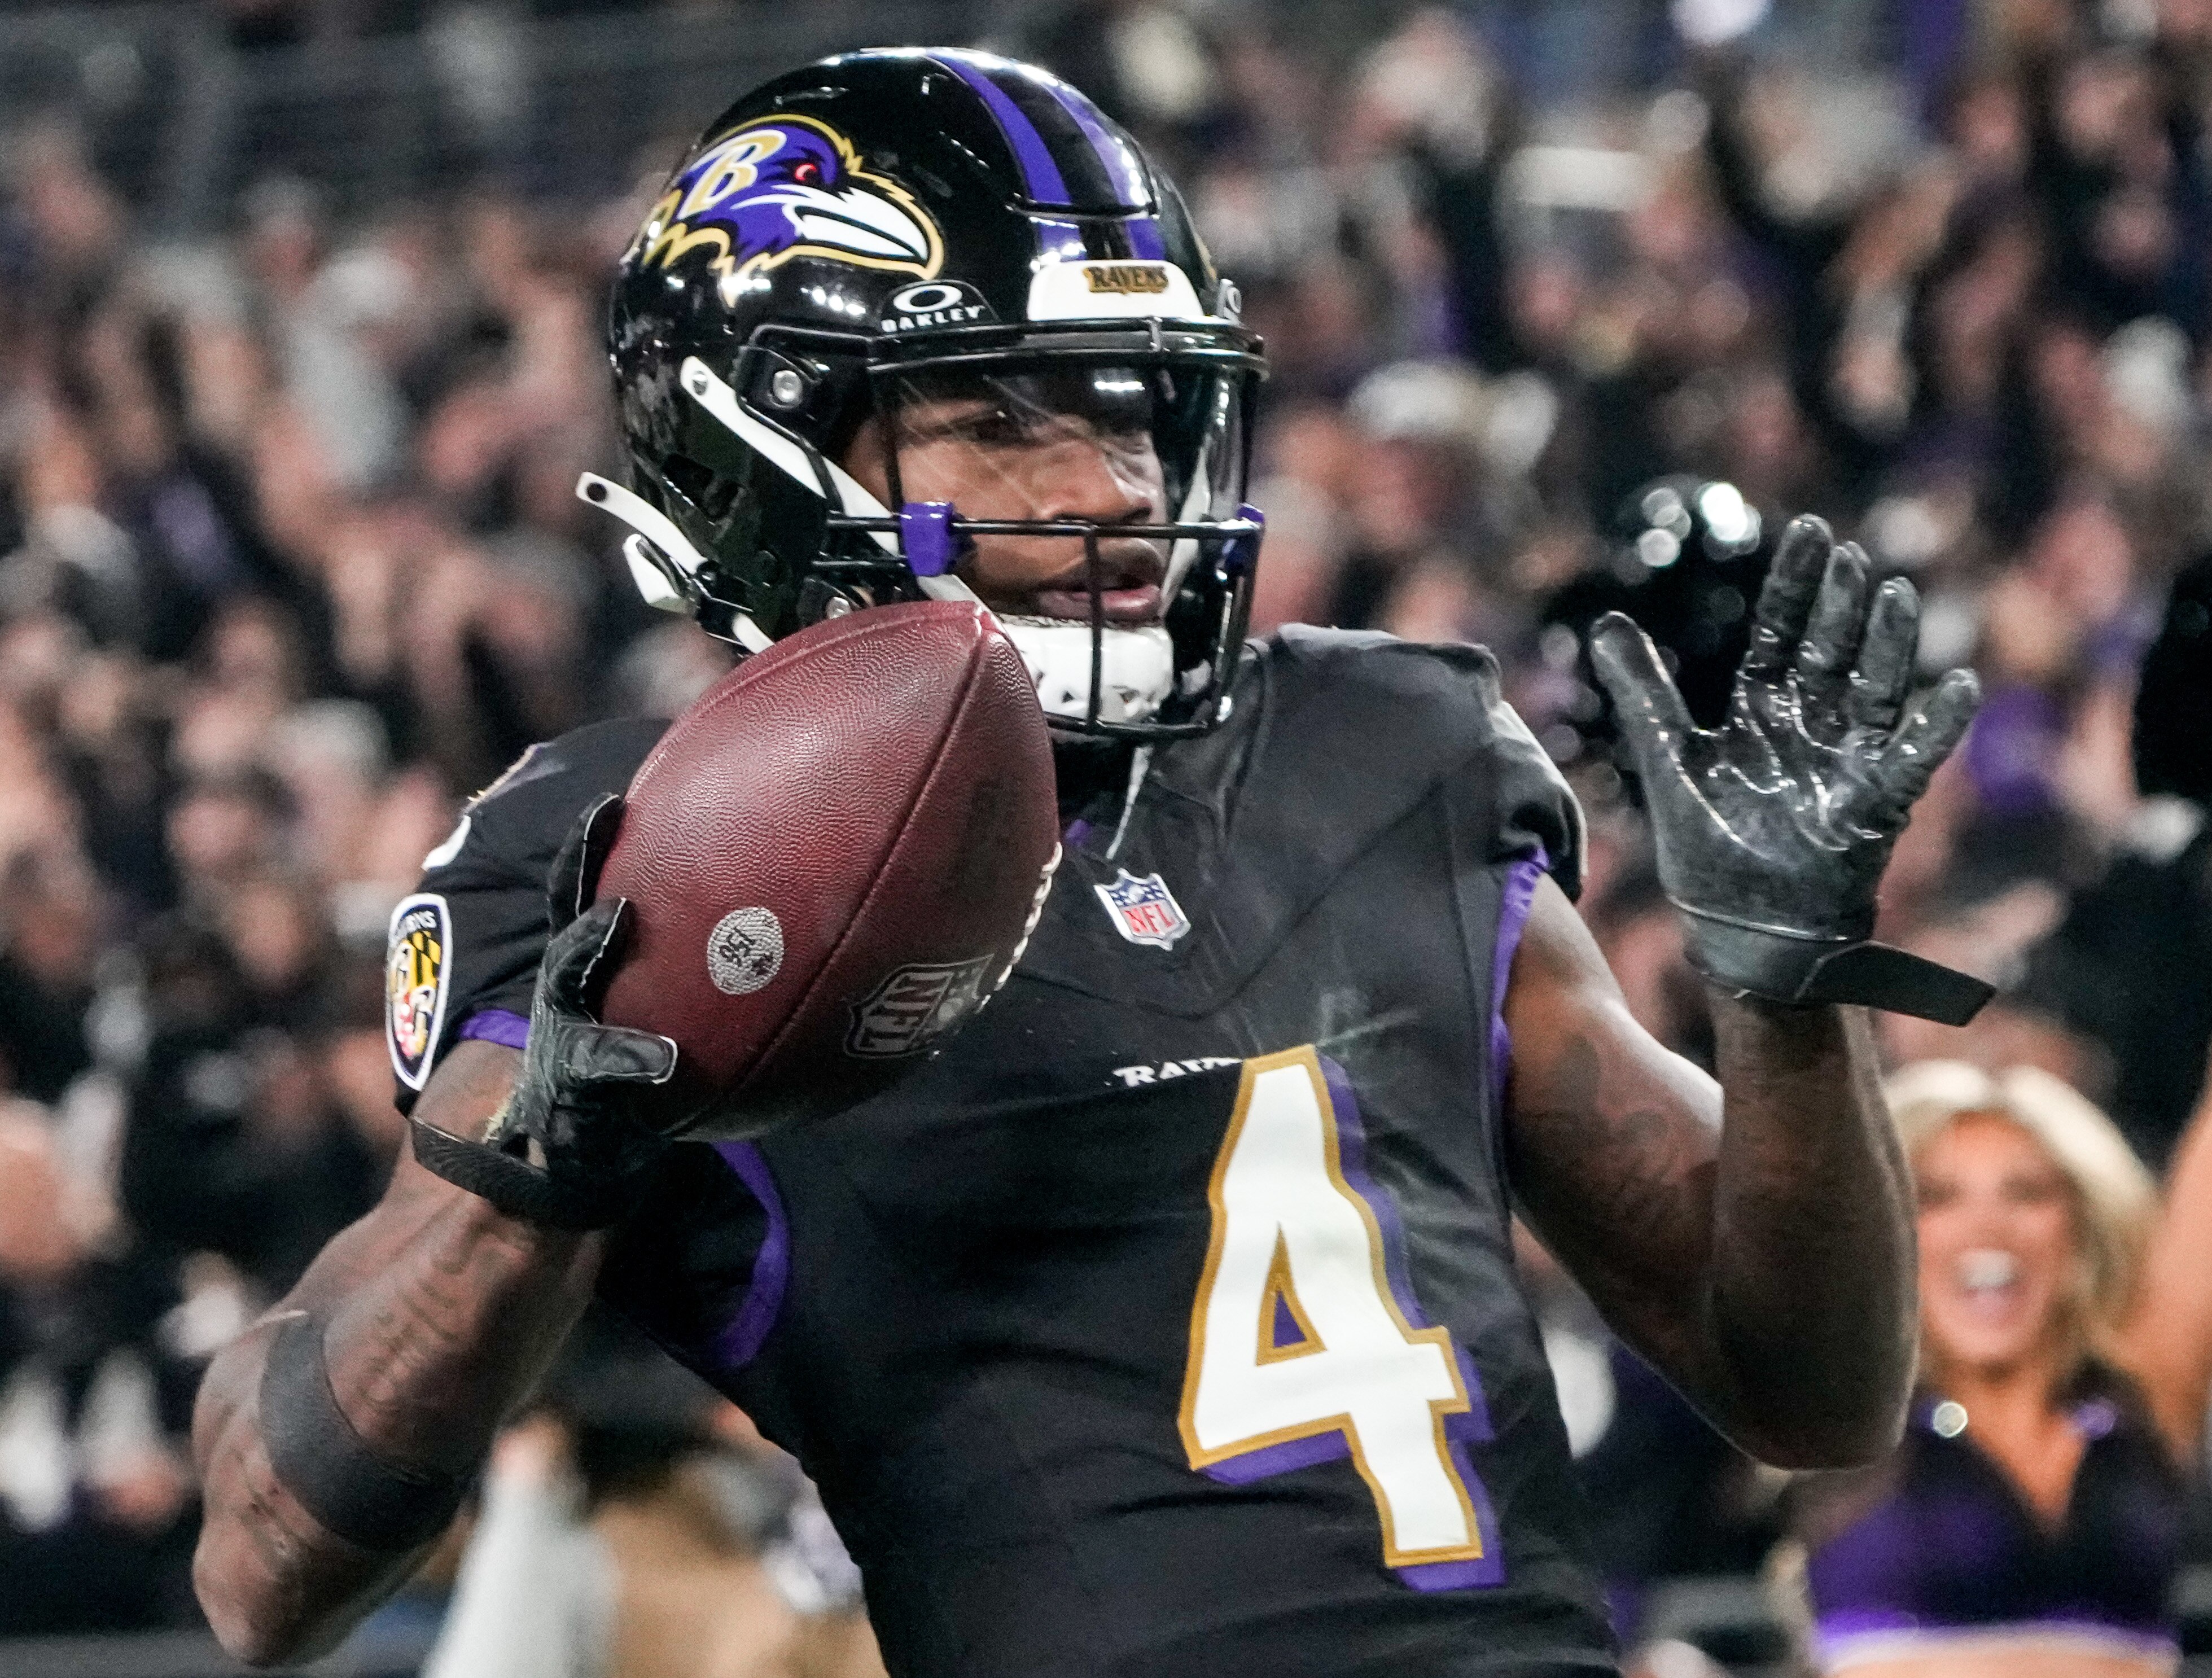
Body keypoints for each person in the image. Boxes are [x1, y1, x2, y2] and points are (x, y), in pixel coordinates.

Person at [188, 50, 1982, 1678]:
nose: (1115, 483)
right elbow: (268, 1564)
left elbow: (1814, 1386)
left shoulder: (1395, 747)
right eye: (1005, 413)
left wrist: (1785, 1006)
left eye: (1130, 408)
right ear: (763, 447)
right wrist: (538, 1173)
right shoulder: (634, 853)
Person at [1788, 814, 2212, 1676]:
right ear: (1890, 1240)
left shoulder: (2146, 1391)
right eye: (1941, 1197)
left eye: (2027, 1192)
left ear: (2078, 1227)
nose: (1988, 1227)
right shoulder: (1830, 1401)